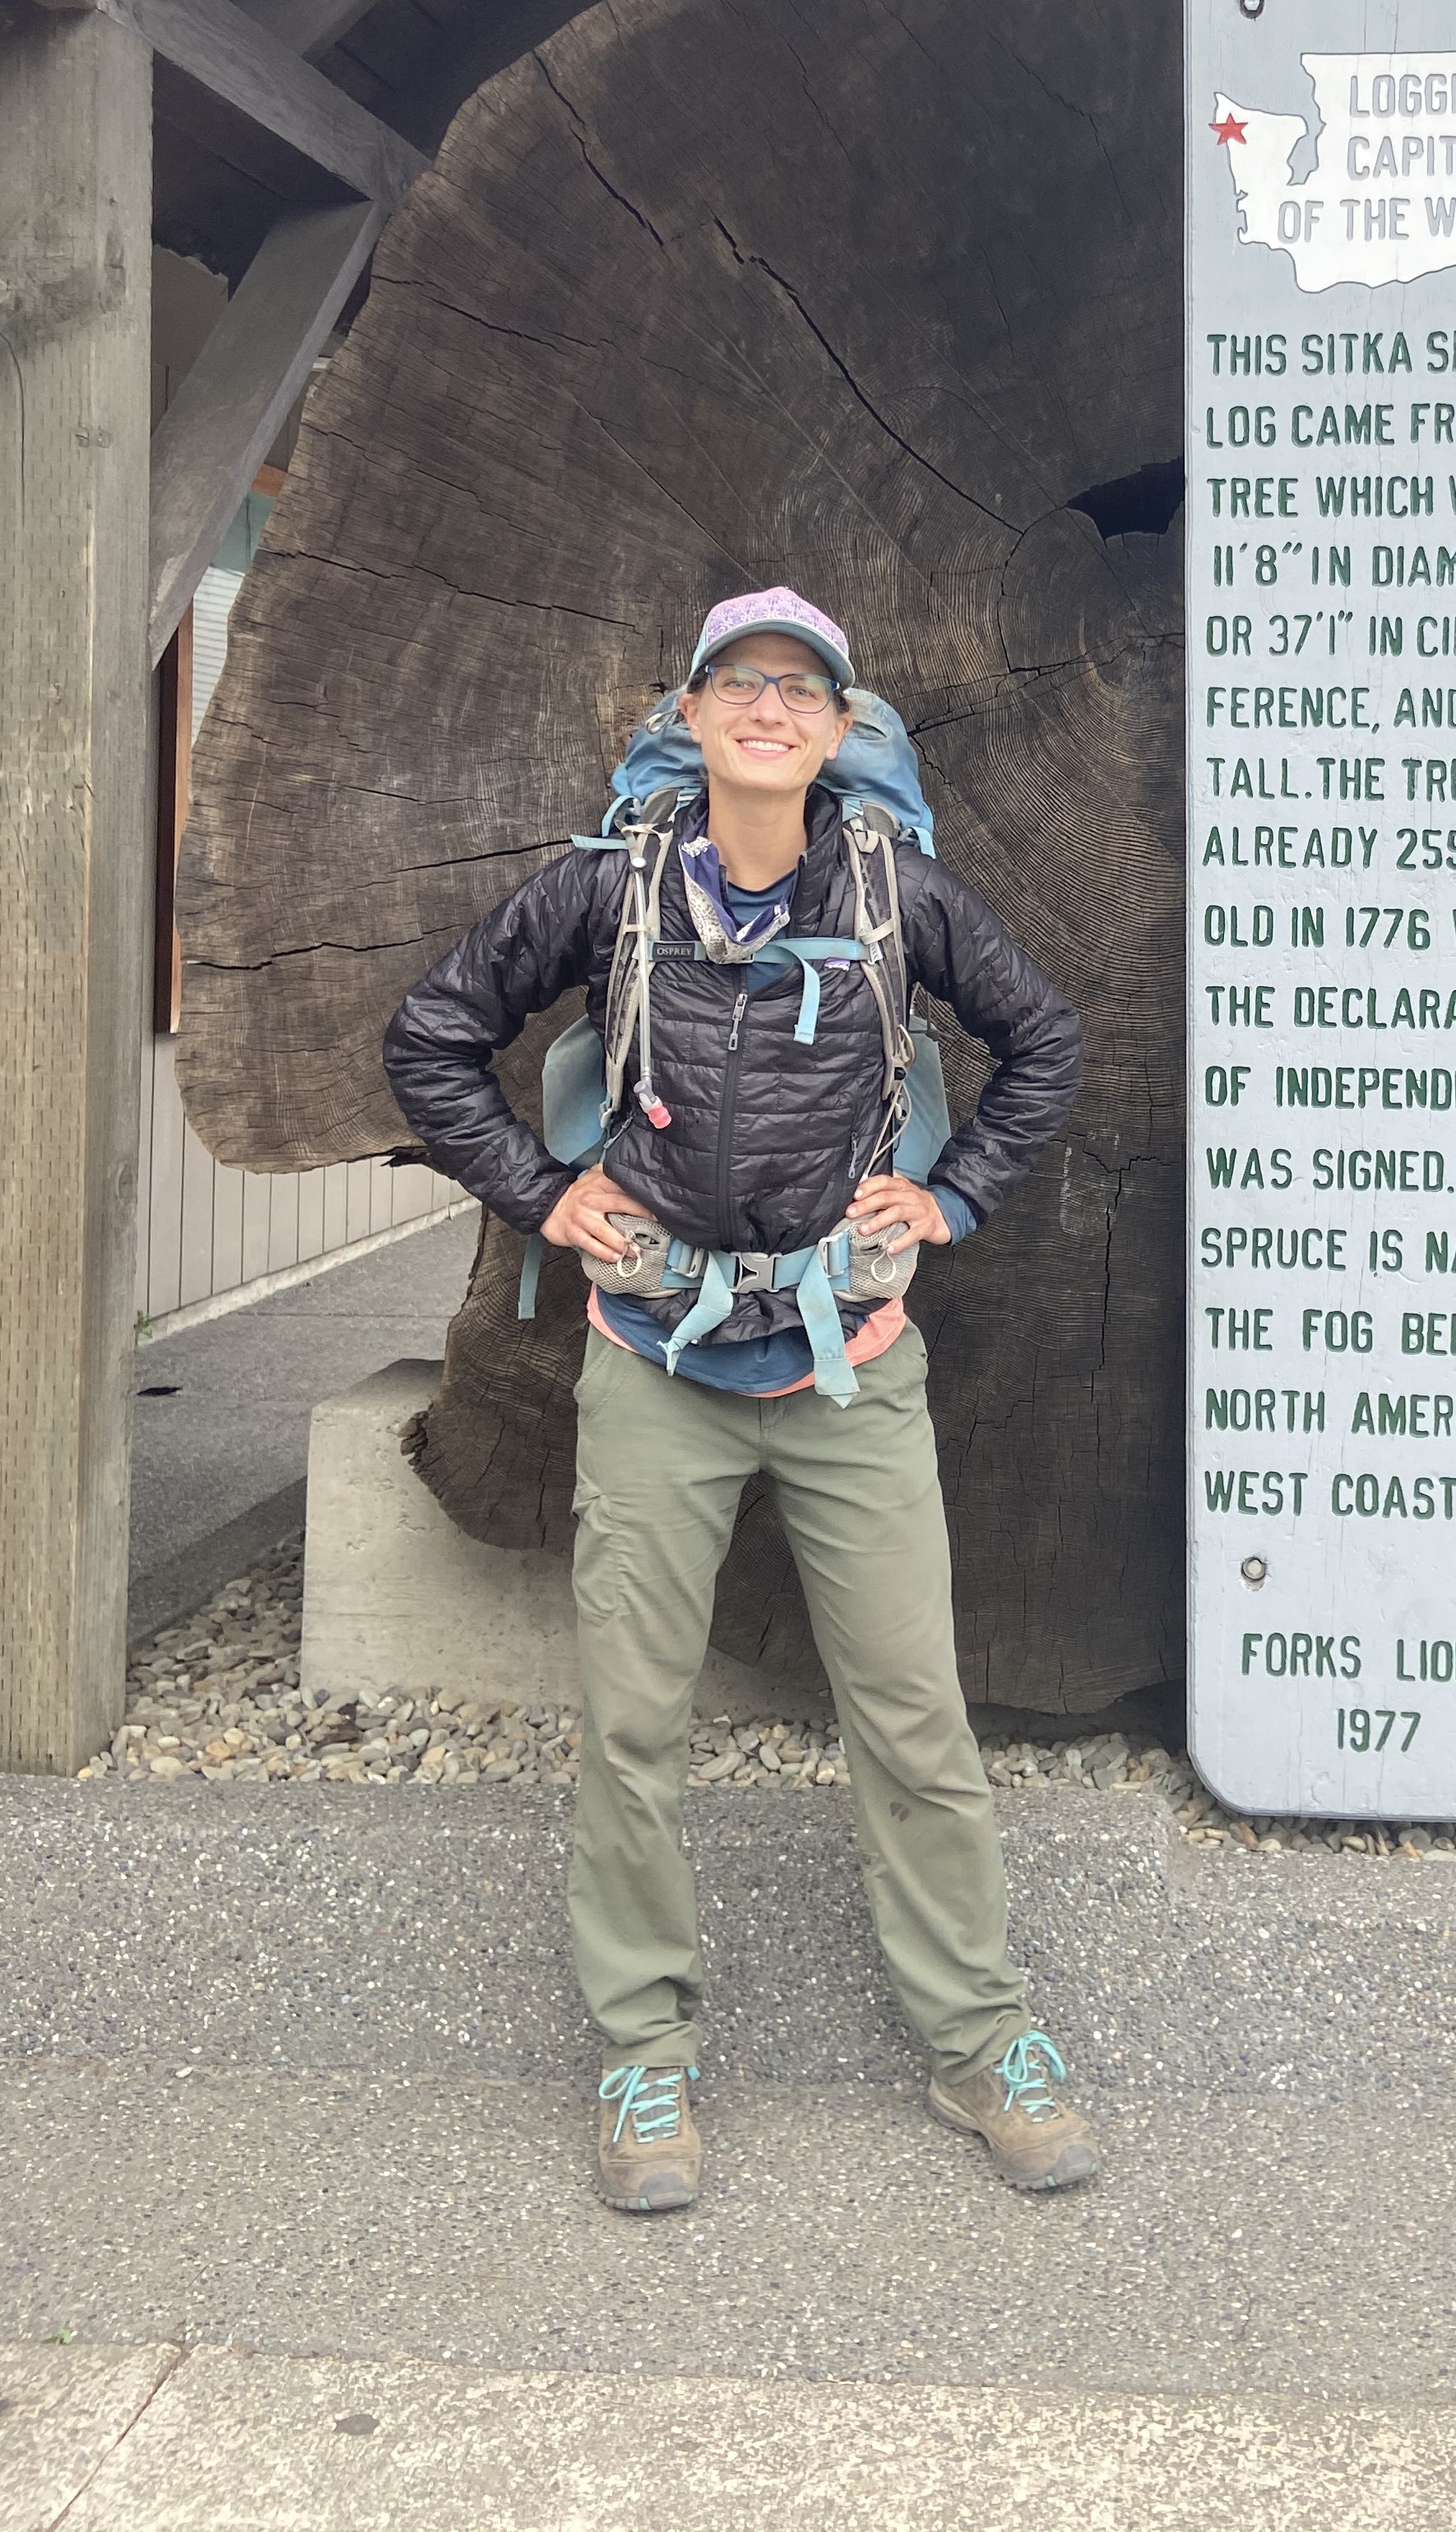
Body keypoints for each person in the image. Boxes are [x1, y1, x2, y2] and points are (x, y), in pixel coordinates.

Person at [383, 588, 1093, 2212]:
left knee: (913, 1712)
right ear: (691, 715)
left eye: (804, 688)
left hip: (852, 1362)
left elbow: (1041, 1037)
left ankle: (980, 2037)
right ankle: (644, 2047)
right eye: (739, 682)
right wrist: (542, 1195)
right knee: (634, 1723)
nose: (770, 706)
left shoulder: (894, 891)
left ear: (840, 733)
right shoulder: (605, 892)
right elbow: (433, 1035)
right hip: (655, 1361)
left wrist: (951, 1201)